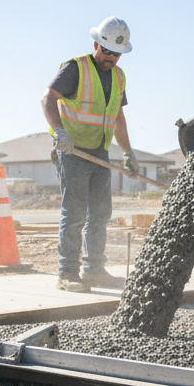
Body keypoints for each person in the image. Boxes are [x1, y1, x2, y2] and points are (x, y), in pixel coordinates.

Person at [40, 16, 137, 292]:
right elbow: (47, 98)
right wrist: (59, 132)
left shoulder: (119, 76)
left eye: (117, 53)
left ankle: (94, 269)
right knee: (74, 213)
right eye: (107, 51)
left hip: (99, 152)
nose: (111, 58)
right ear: (96, 44)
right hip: (72, 152)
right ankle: (67, 273)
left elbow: (117, 115)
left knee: (101, 212)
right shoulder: (76, 68)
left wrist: (128, 151)